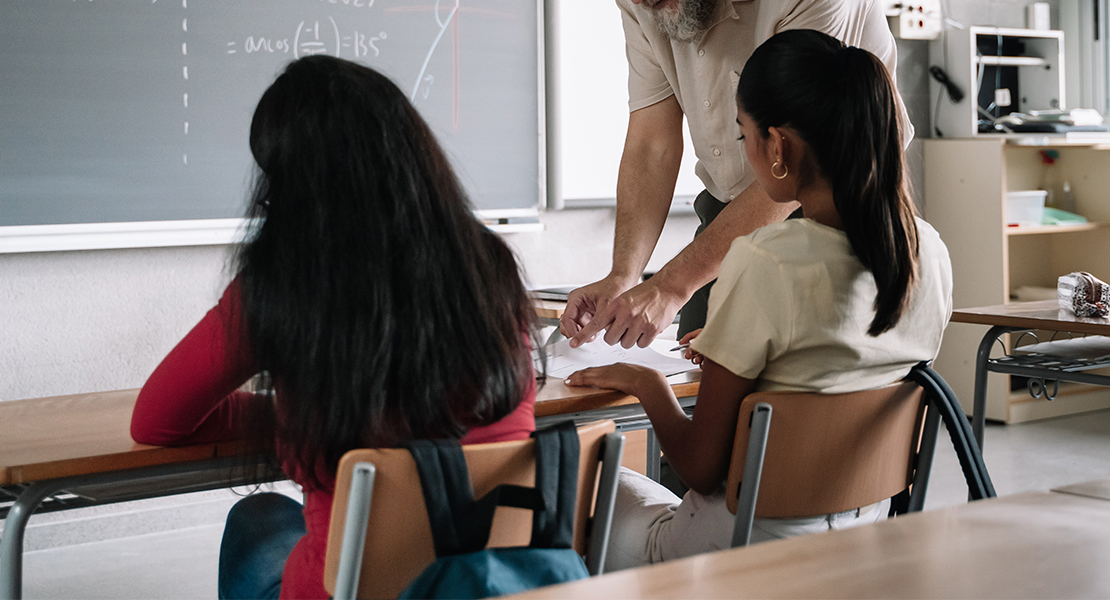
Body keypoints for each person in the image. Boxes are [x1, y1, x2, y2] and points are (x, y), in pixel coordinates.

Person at [130, 56, 540, 600]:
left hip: (350, 591)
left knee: (258, 517)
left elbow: (157, 420)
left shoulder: (280, 285)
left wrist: (308, 412)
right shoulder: (487, 266)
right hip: (490, 586)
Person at [565, 29, 952, 571]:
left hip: (736, 555)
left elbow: (700, 469)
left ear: (778, 147)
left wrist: (645, 381)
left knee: (569, 474)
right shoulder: (927, 252)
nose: (742, 151)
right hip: (853, 547)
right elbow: (836, 367)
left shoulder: (767, 259)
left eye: (742, 133)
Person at [560, 0, 913, 349]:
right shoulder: (642, 2)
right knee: (698, 360)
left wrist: (670, 286)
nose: (637, 1)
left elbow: (806, 157)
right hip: (725, 213)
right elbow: (653, 145)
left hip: (838, 208)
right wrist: (623, 276)